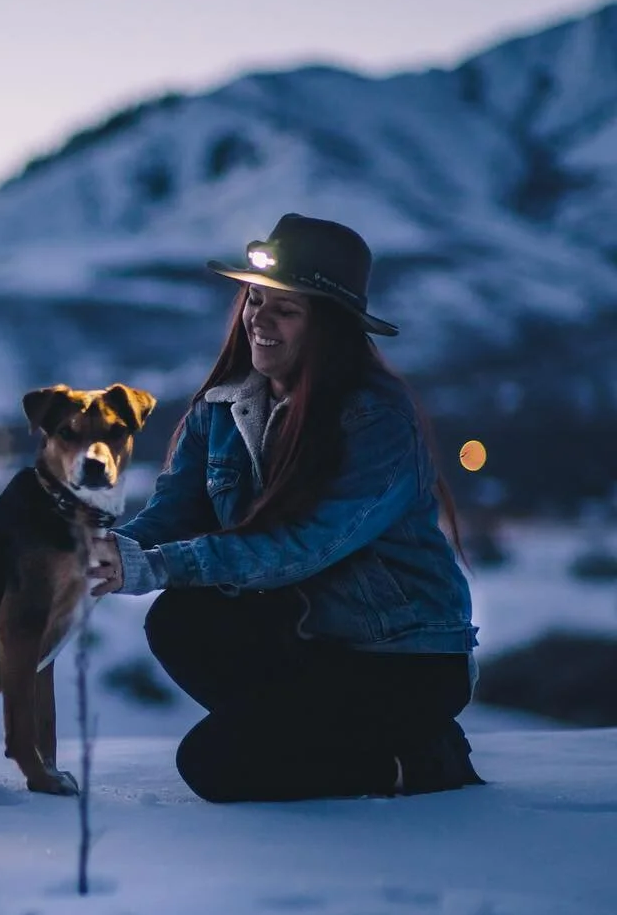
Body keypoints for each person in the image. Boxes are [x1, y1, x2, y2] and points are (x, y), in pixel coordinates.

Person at [87, 213, 485, 803]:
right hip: (312, 645)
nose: (258, 319)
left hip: (402, 659)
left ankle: (421, 759)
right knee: (180, 619)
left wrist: (157, 565)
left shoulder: (375, 419)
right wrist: (103, 552)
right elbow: (174, 513)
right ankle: (319, 737)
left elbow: (306, 544)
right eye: (254, 298)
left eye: (286, 308)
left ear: (329, 328)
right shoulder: (220, 409)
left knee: (215, 765)